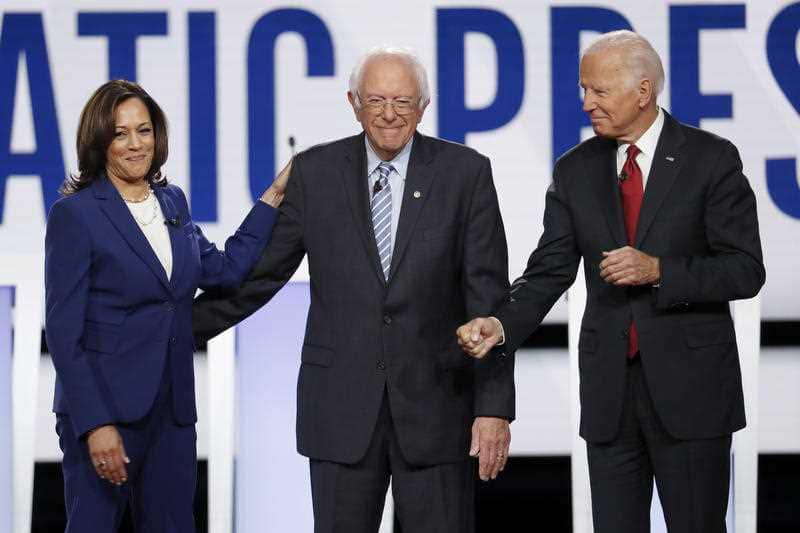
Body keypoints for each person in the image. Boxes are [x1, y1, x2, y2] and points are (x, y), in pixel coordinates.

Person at [192, 46, 514, 532]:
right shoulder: (315, 173)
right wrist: (172, 330)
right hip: (339, 409)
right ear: (353, 102)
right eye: (377, 100)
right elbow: (260, 277)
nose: (389, 114)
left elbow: (487, 298)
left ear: (424, 107)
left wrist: (494, 408)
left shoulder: (465, 173)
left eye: (403, 102)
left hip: (438, 408)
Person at [457, 30, 765, 533]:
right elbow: (548, 271)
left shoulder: (711, 159)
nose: (586, 104)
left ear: (643, 92)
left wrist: (661, 270)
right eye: (583, 90)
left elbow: (745, 269)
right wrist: (500, 322)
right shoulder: (576, 170)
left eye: (598, 91)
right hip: (610, 398)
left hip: (693, 394)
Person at [45, 79, 290, 532]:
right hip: (107, 412)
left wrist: (272, 198)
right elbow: (63, 333)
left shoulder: (172, 202)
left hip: (172, 412)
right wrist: (95, 424)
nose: (136, 144)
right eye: (121, 133)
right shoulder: (75, 215)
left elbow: (225, 271)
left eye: (144, 130)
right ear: (100, 141)